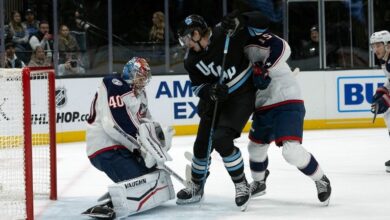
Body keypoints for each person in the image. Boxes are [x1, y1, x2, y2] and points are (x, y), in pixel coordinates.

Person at [175, 11, 268, 210]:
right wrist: (210, 91)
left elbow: (263, 23)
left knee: (221, 139)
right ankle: (197, 185)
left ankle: (241, 184)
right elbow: (197, 87)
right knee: (201, 147)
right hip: (217, 101)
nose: (186, 44)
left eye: (187, 38)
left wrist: (241, 19)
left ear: (197, 33)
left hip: (241, 96)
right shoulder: (190, 60)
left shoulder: (225, 33)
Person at [241, 25, 332, 205]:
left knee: (291, 151)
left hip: (286, 98)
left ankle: (320, 179)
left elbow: (283, 47)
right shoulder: (233, 50)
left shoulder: (255, 39)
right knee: (255, 148)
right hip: (263, 104)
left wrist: (265, 69)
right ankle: (259, 182)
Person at [82, 57, 175, 219]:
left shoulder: (141, 95)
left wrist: (156, 145)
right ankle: (111, 204)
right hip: (104, 148)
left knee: (151, 174)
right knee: (140, 181)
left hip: (123, 147)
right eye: (140, 76)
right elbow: (114, 124)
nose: (143, 81)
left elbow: (147, 122)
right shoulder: (114, 83)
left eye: (145, 78)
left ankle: (123, 189)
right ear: (130, 73)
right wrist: (139, 146)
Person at [369, 30, 390, 172]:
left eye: (378, 45)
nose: (375, 49)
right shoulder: (385, 61)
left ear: (388, 45)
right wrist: (382, 89)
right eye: (373, 46)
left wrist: (386, 98)